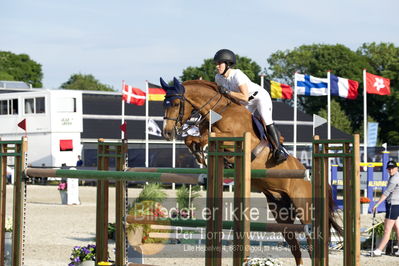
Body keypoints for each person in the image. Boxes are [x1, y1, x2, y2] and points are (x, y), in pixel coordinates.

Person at [213, 49, 287, 164]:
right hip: (243, 103)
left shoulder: (237, 75)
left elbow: (244, 97)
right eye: (216, 64)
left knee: (266, 120)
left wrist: (227, 92)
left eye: (219, 63)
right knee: (238, 123)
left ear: (227, 64)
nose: (217, 66)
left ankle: (279, 150)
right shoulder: (218, 78)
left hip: (258, 97)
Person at [372, 160, 399, 256]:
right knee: (397, 228)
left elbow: (386, 193)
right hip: (395, 204)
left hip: (393, 205)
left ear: (396, 168)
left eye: (392, 168)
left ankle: (379, 250)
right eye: (389, 168)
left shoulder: (394, 179)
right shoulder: (394, 176)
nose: (390, 170)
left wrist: (376, 204)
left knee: (387, 230)